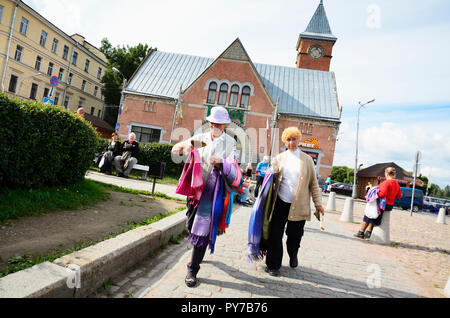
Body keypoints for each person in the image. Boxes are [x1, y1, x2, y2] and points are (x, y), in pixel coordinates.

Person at [171, 106, 239, 288]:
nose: (215, 126)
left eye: (219, 123)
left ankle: (192, 270)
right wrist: (183, 147)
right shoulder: (200, 138)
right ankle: (199, 249)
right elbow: (176, 150)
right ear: (209, 123)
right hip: (195, 192)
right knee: (190, 225)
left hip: (212, 194)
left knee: (201, 232)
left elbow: (234, 170)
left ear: (224, 125)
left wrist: (222, 163)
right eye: (213, 123)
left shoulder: (230, 143)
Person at [264, 127, 324, 277]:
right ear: (285, 141)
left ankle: (293, 253)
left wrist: (318, 203)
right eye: (288, 140)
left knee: (295, 235)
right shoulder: (279, 158)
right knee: (275, 234)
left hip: (299, 205)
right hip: (280, 202)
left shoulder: (308, 160)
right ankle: (273, 265)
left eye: (294, 139)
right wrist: (271, 170)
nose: (291, 142)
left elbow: (314, 184)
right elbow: (270, 178)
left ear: (299, 139)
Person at [354, 167, 401, 239]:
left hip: (382, 204)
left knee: (368, 214)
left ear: (387, 173)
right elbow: (399, 196)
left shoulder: (386, 183)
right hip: (389, 205)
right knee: (374, 215)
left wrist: (374, 195)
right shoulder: (396, 184)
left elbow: (382, 194)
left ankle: (361, 232)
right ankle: (369, 232)